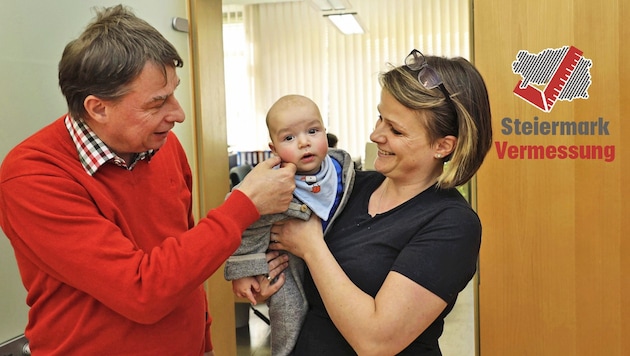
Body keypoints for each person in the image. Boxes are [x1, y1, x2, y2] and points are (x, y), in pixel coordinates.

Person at [0, 5, 296, 356]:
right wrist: (244, 206)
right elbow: (141, 291)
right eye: (157, 103)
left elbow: (183, 262)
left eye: (174, 92)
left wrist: (204, 342)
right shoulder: (33, 175)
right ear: (97, 108)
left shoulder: (163, 146)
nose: (178, 114)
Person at [263, 49, 493, 355]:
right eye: (380, 118)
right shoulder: (349, 187)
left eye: (395, 130)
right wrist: (270, 277)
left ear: (442, 145)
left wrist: (310, 246)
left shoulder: (452, 224)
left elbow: (376, 342)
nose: (375, 135)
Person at [224, 94, 355, 356]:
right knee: (288, 320)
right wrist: (243, 271)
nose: (304, 142)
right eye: (289, 138)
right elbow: (240, 220)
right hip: (287, 270)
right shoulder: (270, 184)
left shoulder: (342, 172)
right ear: (273, 149)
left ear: (325, 133)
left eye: (313, 131)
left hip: (336, 264)